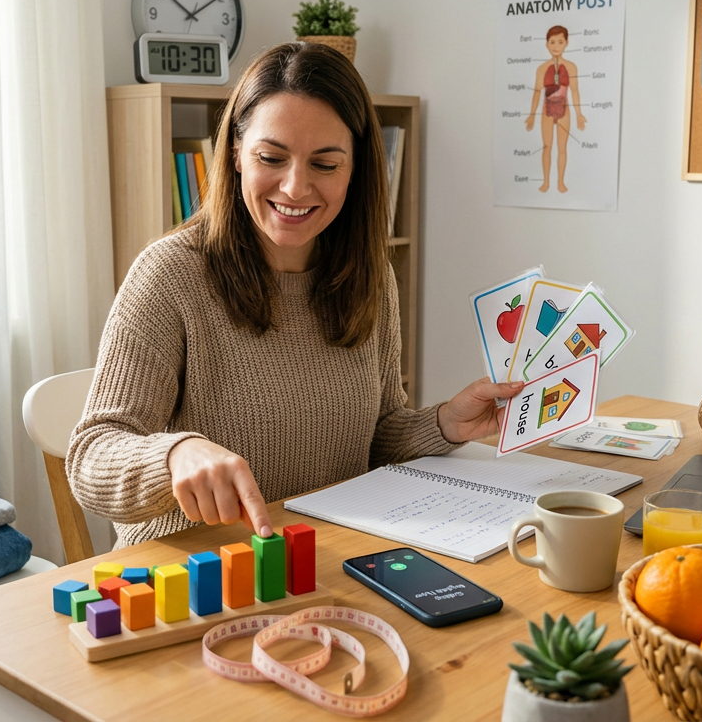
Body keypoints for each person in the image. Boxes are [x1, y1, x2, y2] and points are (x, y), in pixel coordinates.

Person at [68, 42, 522, 548]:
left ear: (355, 171)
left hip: (326, 556)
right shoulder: (171, 275)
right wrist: (175, 455)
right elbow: (91, 456)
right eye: (271, 157)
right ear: (237, 154)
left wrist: (443, 423)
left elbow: (375, 436)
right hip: (198, 570)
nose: (294, 187)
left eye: (325, 165)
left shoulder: (371, 277)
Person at [525, 25, 587, 193]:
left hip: (564, 111)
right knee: (546, 147)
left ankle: (560, 182)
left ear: (566, 43)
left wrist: (579, 114)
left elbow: (575, 91)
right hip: (546, 111)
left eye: (560, 42)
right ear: (546, 44)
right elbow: (537, 92)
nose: (556, 46)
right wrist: (531, 115)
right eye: (552, 42)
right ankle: (546, 182)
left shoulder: (571, 67)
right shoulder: (542, 68)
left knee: (562, 149)